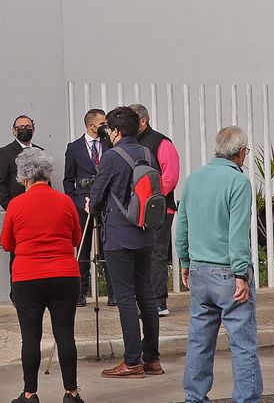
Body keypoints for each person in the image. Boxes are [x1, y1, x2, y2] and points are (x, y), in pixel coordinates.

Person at [177, 126, 262, 403]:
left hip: (199, 269)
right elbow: (237, 233)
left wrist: (184, 260)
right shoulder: (238, 183)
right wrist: (241, 273)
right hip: (227, 272)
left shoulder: (193, 179)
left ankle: (194, 396)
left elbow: (183, 225)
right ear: (240, 153)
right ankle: (246, 399)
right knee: (243, 343)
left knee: (199, 341)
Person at [0, 146, 84, 403]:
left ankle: (29, 393)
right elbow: (76, 238)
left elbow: (6, 243)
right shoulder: (66, 201)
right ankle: (71, 392)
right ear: (47, 174)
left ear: (24, 178)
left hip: (28, 278)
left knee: (31, 336)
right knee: (65, 334)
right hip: (65, 275)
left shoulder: (16, 204)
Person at [89, 106, 162, 379]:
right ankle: (152, 358)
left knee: (125, 298)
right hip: (145, 232)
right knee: (147, 296)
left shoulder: (110, 157)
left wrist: (90, 202)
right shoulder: (146, 153)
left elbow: (97, 196)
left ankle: (132, 361)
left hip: (119, 235)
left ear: (116, 131)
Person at [130, 103, 181, 316]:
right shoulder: (130, 143)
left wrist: (151, 199)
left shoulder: (161, 142)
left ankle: (159, 302)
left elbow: (170, 177)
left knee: (156, 254)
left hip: (158, 210)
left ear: (143, 121)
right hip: (134, 211)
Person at [62, 108, 106, 302]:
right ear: (91, 125)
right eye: (102, 123)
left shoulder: (109, 144)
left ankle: (112, 292)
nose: (105, 127)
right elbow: (68, 180)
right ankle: (80, 292)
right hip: (83, 204)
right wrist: (78, 202)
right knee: (83, 247)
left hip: (105, 203)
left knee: (107, 247)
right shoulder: (74, 148)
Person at [0, 114, 40, 212]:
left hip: (39, 208)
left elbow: (47, 182)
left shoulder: (40, 152)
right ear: (14, 131)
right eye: (21, 127)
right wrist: (11, 207)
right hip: (18, 209)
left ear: (33, 130)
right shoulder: (5, 152)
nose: (25, 129)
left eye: (28, 127)